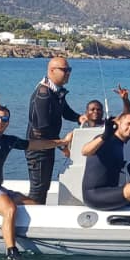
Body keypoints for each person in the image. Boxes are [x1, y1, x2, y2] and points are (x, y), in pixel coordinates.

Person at [0, 93, 72, 258]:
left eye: (4, 119)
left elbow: (35, 144)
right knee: (10, 208)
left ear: (8, 123)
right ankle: (11, 251)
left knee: (35, 205)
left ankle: (38, 239)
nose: (0, 122)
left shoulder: (8, 140)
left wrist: (62, 142)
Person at [26, 55, 81, 204]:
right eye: (64, 70)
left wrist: (80, 118)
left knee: (43, 186)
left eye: (69, 69)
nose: (68, 73)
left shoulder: (55, 90)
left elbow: (65, 111)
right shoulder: (43, 94)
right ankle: (32, 213)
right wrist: (62, 145)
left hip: (47, 145)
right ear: (51, 70)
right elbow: (42, 128)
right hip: (38, 148)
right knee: (39, 189)